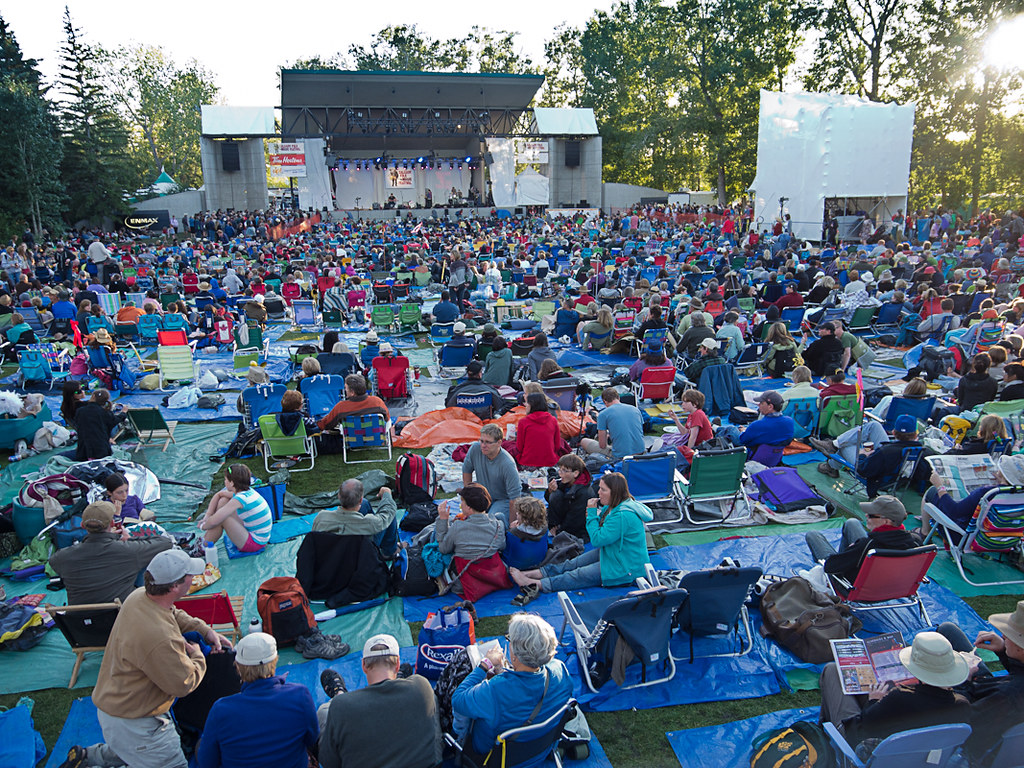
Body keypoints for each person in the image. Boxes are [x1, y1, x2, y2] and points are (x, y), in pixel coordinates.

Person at [66, 549, 234, 768]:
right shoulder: (160, 638)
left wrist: (204, 630)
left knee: (130, 748)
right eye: (190, 576)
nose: (194, 578)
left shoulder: (140, 597)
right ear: (174, 586)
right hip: (136, 721)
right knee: (159, 757)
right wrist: (198, 656)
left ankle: (88, 757)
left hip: (117, 708)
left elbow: (172, 613)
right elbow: (184, 683)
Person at [451, 614, 573, 768]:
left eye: (509, 640)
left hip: (494, 758)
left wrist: (484, 664)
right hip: (539, 750)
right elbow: (525, 692)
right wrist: (503, 672)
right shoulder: (559, 669)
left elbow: (458, 700)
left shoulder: (495, 690)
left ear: (515, 655)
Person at [818, 630, 971, 746]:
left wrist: (873, 701)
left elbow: (863, 724)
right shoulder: (961, 705)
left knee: (832, 670)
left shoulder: (899, 698)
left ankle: (824, 735)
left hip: (861, 748)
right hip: (920, 758)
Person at [510, 472, 652, 594]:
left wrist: (591, 514)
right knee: (574, 563)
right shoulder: (617, 506)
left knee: (577, 575)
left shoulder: (623, 515)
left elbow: (597, 540)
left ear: (614, 493)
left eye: (603, 490)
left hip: (625, 567)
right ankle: (538, 573)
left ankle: (536, 584)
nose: (598, 492)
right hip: (615, 553)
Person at [317, 634, 442, 768]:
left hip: (345, 707)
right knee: (430, 698)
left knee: (325, 711)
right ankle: (398, 680)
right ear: (397, 664)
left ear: (364, 665)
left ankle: (339, 693)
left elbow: (328, 762)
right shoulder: (421, 686)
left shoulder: (341, 706)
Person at [197, 632, 318, 768]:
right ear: (275, 661)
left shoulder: (221, 710)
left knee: (201, 744)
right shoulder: (300, 695)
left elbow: (207, 762)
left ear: (238, 667)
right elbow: (311, 738)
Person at [49, 501, 172, 605]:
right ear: (112, 523)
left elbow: (54, 562)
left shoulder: (62, 557)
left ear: (82, 525)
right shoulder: (129, 551)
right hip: (121, 620)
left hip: (80, 627)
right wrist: (127, 539)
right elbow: (166, 542)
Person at [805, 495, 918, 584]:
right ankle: (845, 556)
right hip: (892, 585)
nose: (866, 515)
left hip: (856, 586)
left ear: (886, 521)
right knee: (852, 522)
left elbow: (830, 567)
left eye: (871, 515)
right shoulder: (915, 541)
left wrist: (853, 549)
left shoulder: (867, 547)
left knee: (813, 535)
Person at [813, 412, 924, 494]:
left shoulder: (885, 451)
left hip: (878, 475)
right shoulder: (921, 450)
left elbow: (863, 470)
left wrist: (863, 455)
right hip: (894, 471)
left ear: (894, 432)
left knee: (846, 445)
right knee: (874, 425)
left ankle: (832, 463)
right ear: (915, 435)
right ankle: (833, 446)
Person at [918, 453, 1024, 538]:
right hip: (996, 538)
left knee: (932, 492)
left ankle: (924, 532)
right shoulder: (1018, 497)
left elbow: (954, 512)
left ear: (1003, 473)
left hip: (962, 535)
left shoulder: (986, 493)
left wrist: (940, 486)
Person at [436, 484, 510, 599]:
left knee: (434, 537)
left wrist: (442, 520)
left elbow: (443, 549)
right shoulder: (498, 525)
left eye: (462, 502)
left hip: (466, 579)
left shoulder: (458, 527)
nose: (460, 505)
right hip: (493, 575)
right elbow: (501, 546)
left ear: (469, 507)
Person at [198, 464, 272, 564]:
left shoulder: (240, 499)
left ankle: (203, 546)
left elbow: (215, 520)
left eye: (225, 480)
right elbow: (219, 494)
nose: (224, 482)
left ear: (232, 483)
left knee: (222, 518)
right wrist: (207, 515)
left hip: (255, 543)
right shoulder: (247, 492)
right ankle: (206, 540)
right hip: (253, 532)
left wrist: (203, 525)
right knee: (223, 501)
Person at [313, 478, 399, 558]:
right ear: (360, 500)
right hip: (358, 557)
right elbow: (388, 512)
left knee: (365, 504)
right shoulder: (371, 523)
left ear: (339, 496)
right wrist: (387, 495)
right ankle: (389, 552)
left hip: (332, 556)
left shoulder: (321, 517)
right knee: (389, 511)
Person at [461, 424, 523, 526]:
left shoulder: (508, 464)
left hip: (502, 500)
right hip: (482, 496)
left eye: (488, 442)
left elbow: (514, 499)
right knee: (470, 521)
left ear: (499, 443)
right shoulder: (475, 449)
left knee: (488, 523)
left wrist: (512, 525)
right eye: (481, 441)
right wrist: (468, 497)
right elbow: (466, 470)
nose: (483, 445)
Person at [717, 390, 795, 455]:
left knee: (731, 429)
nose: (758, 405)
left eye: (761, 403)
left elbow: (743, 440)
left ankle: (714, 429)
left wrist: (745, 431)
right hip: (774, 456)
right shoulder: (790, 422)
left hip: (753, 453)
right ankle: (716, 428)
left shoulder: (758, 425)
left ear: (770, 406)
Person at [580, 388, 646, 462]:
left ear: (604, 401)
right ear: (618, 397)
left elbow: (602, 445)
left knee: (584, 441)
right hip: (641, 452)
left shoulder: (603, 414)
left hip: (621, 456)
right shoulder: (635, 409)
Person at [545, 453, 594, 541]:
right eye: (559, 469)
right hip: (566, 514)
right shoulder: (565, 480)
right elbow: (549, 499)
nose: (560, 473)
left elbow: (575, 518)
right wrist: (549, 490)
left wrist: (559, 531)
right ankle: (554, 525)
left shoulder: (584, 493)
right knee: (555, 494)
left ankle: (557, 528)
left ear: (575, 473)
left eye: (564, 470)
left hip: (578, 525)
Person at [318, 374, 390, 431]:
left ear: (352, 392)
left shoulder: (341, 407)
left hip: (352, 439)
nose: (345, 390)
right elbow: (388, 420)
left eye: (346, 388)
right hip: (375, 436)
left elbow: (325, 424)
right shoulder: (377, 402)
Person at [665, 388, 714, 471]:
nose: (682, 404)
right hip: (696, 446)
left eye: (685, 402)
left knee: (675, 451)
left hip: (702, 447)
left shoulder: (698, 414)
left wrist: (687, 452)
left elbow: (693, 437)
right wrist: (676, 420)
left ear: (695, 404)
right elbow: (685, 433)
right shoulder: (691, 415)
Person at [74, 389, 126, 461]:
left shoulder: (80, 411)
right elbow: (114, 421)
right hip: (101, 450)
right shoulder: (105, 413)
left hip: (83, 450)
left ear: (93, 397)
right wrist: (123, 413)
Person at [513, 392, 562, 468]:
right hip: (550, 461)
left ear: (531, 405)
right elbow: (557, 446)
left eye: (526, 403)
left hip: (528, 462)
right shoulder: (553, 420)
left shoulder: (523, 422)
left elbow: (519, 447)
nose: (525, 405)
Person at [445, 360, 511, 417]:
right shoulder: (489, 389)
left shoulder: (457, 390)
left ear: (468, 374)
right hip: (484, 422)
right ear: (480, 374)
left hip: (463, 423)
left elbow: (449, 407)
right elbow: (499, 406)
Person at [503, 497, 550, 571]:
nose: (516, 514)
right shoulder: (545, 528)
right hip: (538, 562)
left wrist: (511, 530)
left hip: (516, 568)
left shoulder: (512, 535)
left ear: (524, 519)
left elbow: (506, 550)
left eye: (518, 513)